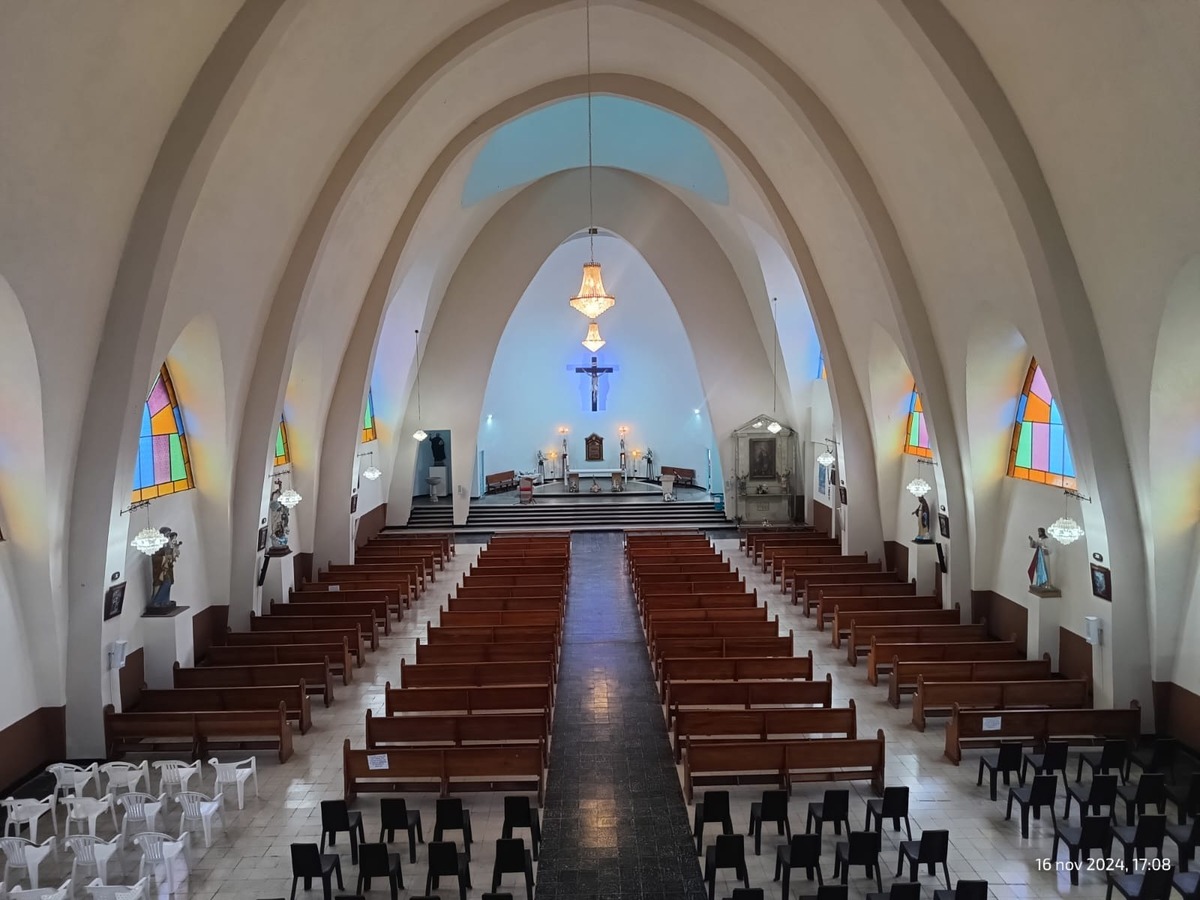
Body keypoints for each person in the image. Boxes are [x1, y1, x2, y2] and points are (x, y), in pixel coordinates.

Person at [150, 528, 182, 608]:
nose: (168, 537)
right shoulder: (157, 545)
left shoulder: (166, 545)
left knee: (169, 582)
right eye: (167, 535)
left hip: (167, 568)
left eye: (169, 535)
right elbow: (155, 558)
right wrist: (165, 558)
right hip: (160, 570)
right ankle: (156, 601)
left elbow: (170, 555)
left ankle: (165, 601)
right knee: (166, 583)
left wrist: (172, 556)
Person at [269, 480, 290, 553]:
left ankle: (280, 540)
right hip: (276, 519)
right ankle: (277, 540)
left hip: (280, 519)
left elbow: (285, 512)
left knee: (281, 526)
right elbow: (274, 508)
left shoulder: (282, 507)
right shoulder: (274, 503)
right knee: (276, 527)